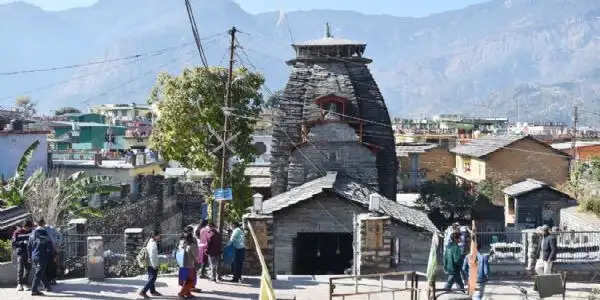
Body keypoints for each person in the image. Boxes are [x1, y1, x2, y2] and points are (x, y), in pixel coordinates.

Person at [28, 218, 54, 296]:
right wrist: (50, 254)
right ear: (43, 224)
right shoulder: (43, 232)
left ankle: (47, 286)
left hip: (34, 255)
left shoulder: (32, 233)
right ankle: (34, 290)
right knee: (39, 272)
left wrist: (29, 256)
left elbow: (29, 245)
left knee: (40, 271)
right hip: (42, 255)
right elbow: (49, 244)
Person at [139, 231, 162, 299]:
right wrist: (154, 265)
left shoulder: (150, 241)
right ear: (155, 236)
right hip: (152, 263)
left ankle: (153, 291)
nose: (159, 237)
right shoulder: (153, 244)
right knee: (152, 278)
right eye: (159, 235)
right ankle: (143, 291)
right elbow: (152, 256)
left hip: (150, 263)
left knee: (151, 277)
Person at [12, 220, 33, 291]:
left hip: (29, 253)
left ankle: (25, 284)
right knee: (20, 269)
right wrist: (22, 242)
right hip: (21, 252)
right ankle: (19, 284)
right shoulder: (17, 232)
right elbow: (14, 243)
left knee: (28, 269)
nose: (29, 229)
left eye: (30, 228)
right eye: (28, 227)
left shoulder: (31, 232)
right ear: (24, 226)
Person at [178, 228, 198, 299]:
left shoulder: (182, 242)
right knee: (191, 281)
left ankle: (188, 293)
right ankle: (181, 293)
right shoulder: (192, 245)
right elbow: (196, 255)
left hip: (181, 264)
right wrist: (197, 261)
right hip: (189, 265)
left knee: (185, 280)